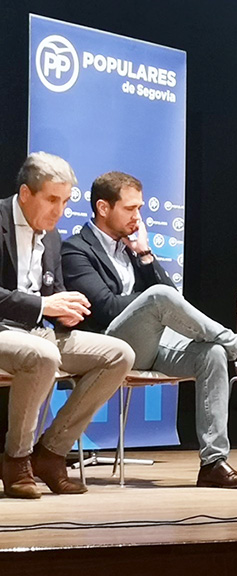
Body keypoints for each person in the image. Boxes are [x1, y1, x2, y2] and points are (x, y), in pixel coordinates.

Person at [61, 171, 237, 488]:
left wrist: (145, 254)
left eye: (140, 208)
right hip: (107, 347)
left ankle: (213, 463)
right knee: (159, 298)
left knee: (212, 354)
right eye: (130, 208)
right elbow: (106, 308)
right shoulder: (75, 250)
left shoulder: (132, 249)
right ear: (103, 208)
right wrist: (149, 301)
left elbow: (173, 298)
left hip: (148, 345)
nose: (137, 217)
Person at [0, 152, 135, 499]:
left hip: (36, 332)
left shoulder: (53, 237)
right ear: (25, 194)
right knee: (42, 355)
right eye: (52, 200)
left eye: (65, 201)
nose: (59, 211)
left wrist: (66, 310)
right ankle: (16, 460)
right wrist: (44, 306)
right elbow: (37, 301)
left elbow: (53, 293)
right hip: (5, 331)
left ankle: (51, 452)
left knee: (119, 354)